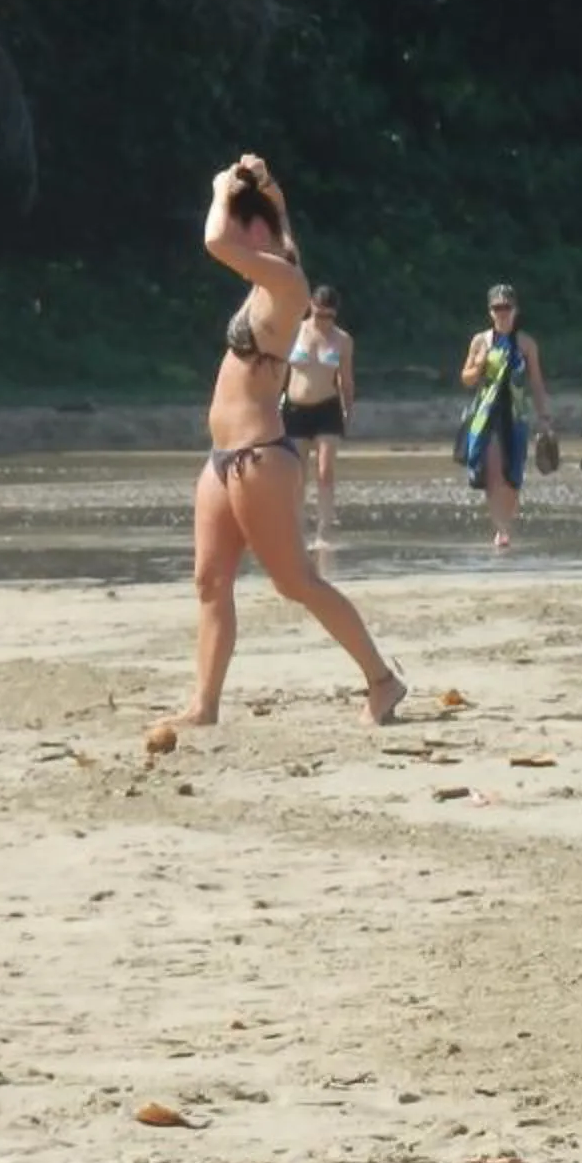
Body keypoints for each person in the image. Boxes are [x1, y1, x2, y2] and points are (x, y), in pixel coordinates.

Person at [170, 157, 406, 732]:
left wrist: (220, 189)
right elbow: (271, 235)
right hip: (221, 459)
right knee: (210, 580)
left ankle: (382, 679)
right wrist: (271, 193)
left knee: (295, 580)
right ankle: (204, 704)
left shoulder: (288, 285)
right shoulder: (271, 275)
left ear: (253, 234)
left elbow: (212, 240)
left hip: (260, 457)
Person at [459, 285, 551, 551]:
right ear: (490, 312)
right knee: (493, 469)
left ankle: (506, 522)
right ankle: (500, 529)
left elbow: (536, 382)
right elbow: (466, 379)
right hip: (486, 413)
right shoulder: (480, 341)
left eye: (506, 308)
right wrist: (479, 364)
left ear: (515, 310)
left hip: (516, 414)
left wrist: (544, 416)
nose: (502, 313)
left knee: (513, 474)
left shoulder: (526, 344)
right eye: (496, 308)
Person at [280, 285, 355, 541]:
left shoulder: (342, 340)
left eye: (329, 317)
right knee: (297, 472)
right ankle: (295, 529)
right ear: (311, 307)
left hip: (327, 407)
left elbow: (346, 379)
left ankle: (324, 530)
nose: (324, 322)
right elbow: (278, 370)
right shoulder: (294, 331)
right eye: (319, 315)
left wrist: (348, 409)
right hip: (295, 407)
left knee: (325, 470)